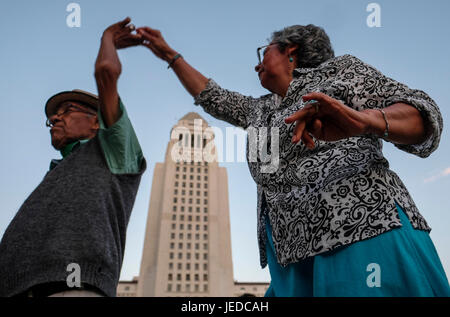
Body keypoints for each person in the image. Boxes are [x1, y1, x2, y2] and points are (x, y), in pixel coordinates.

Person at [136, 24, 450, 296]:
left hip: (361, 232)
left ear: (291, 51)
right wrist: (169, 55)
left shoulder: (340, 72)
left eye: (263, 52)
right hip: (289, 257)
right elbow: (211, 95)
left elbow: (423, 113)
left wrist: (366, 120)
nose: (256, 65)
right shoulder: (257, 110)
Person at [0, 17, 146, 297]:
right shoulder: (55, 171)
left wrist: (107, 39)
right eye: (52, 117)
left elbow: (106, 71)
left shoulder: (114, 153)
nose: (54, 118)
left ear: (97, 122)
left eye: (67, 110)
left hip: (72, 288)